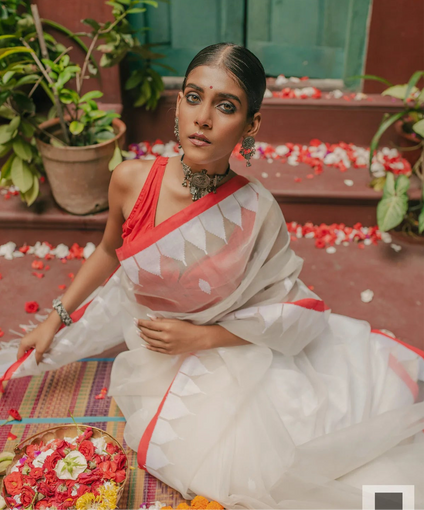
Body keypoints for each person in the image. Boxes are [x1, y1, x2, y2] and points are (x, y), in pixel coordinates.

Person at [2, 43, 424, 510]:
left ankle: (397, 499)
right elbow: (109, 252)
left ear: (251, 125)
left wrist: (199, 338)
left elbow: (287, 308)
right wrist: (56, 318)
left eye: (226, 106)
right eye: (193, 96)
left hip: (228, 351)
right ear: (178, 104)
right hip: (155, 348)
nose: (203, 117)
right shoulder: (130, 178)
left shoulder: (256, 211)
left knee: (264, 470)